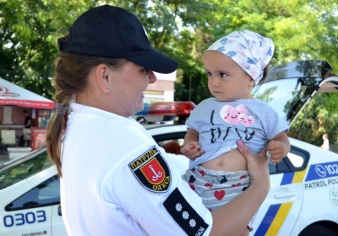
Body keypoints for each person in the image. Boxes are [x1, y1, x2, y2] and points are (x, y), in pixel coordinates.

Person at [45, 5, 270, 236]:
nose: (152, 78)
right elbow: (205, 232)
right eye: (143, 69)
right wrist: (261, 183)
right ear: (105, 76)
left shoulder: (74, 122)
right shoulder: (123, 142)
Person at [180, 30, 290, 234]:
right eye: (210, 74)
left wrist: (279, 147)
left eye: (223, 74)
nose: (214, 82)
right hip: (198, 180)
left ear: (250, 77)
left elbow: (281, 137)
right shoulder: (204, 106)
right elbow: (193, 132)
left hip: (239, 188)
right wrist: (190, 146)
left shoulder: (264, 112)